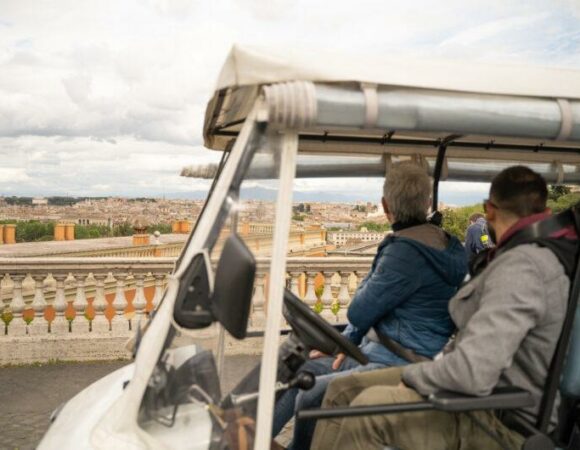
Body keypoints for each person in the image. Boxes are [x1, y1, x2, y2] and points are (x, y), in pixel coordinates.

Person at [311, 165, 579, 450]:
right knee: (341, 391)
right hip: (481, 398)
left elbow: (472, 373)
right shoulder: (525, 259)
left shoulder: (523, 267)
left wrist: (416, 378)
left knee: (366, 412)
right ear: (545, 212)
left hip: (500, 421)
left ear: (489, 210)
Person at [273, 162, 468, 449]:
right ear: (427, 203)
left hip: (397, 361)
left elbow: (359, 311)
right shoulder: (446, 245)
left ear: (385, 205)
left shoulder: (403, 252)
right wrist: (346, 344)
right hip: (394, 352)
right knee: (302, 370)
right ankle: (251, 436)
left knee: (310, 394)